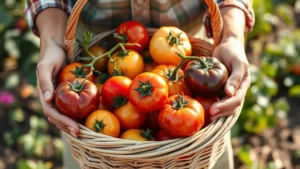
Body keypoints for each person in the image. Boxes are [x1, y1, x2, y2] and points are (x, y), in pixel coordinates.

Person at [25, 0, 255, 168]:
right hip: (89, 55)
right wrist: (54, 41)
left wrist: (231, 36)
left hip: (191, 56)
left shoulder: (182, 78)